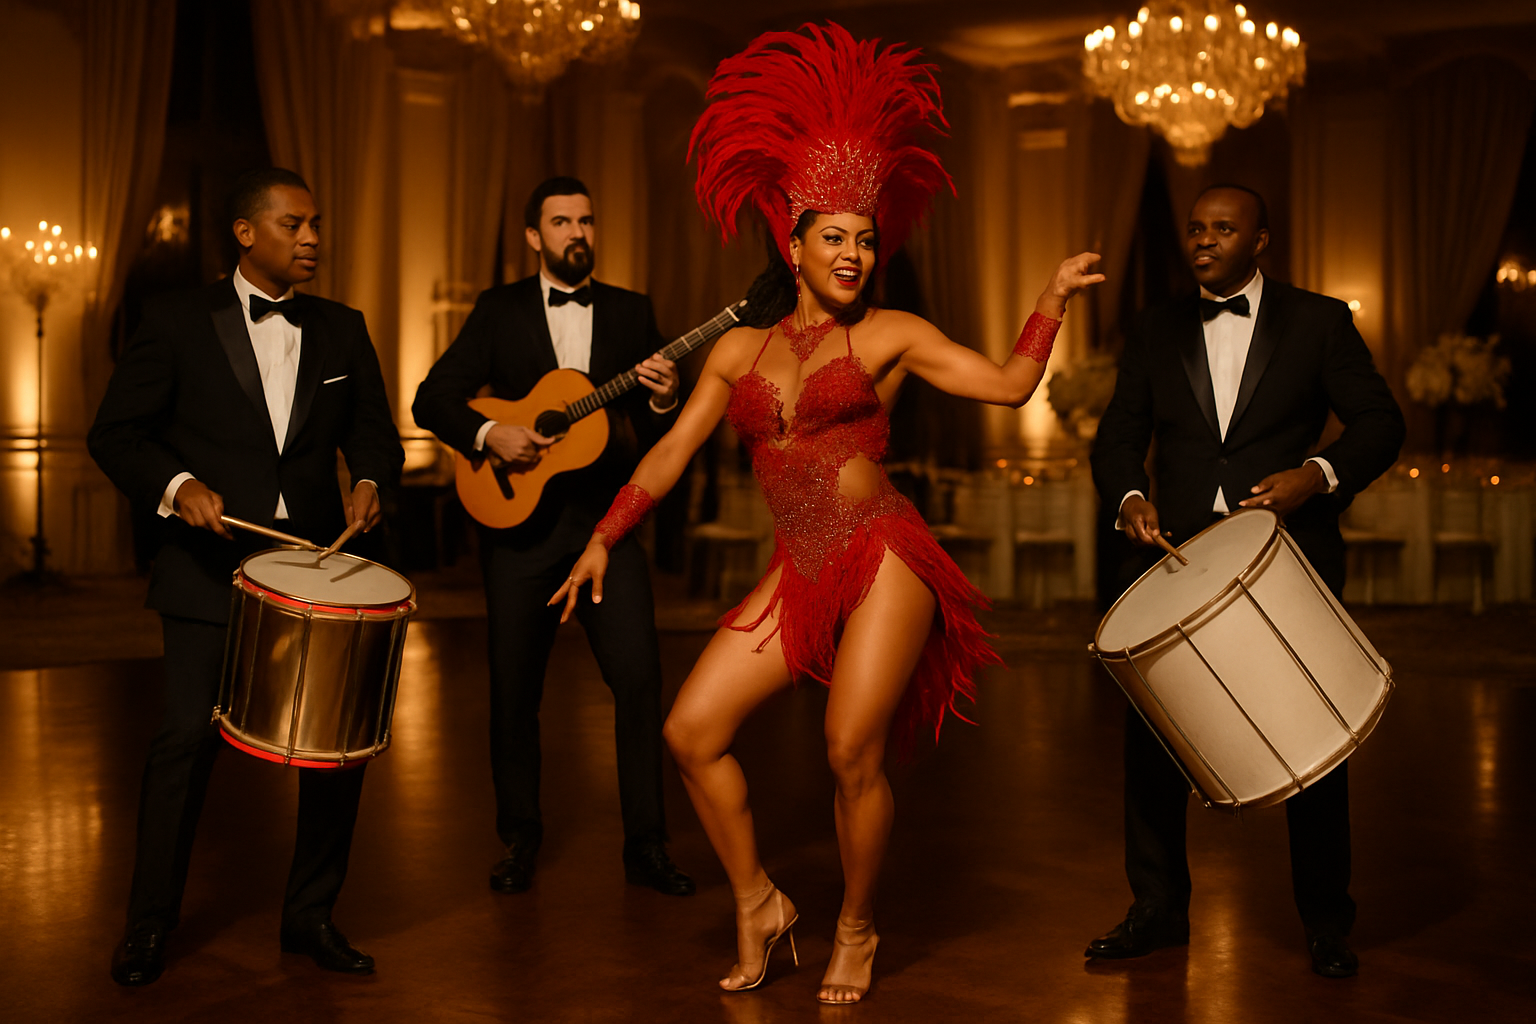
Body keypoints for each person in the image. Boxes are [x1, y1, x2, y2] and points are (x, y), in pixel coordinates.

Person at [551, 23, 1101, 1005]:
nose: (854, 252)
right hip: (797, 565)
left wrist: (1049, 297)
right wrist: (602, 538)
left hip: (884, 551)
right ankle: (758, 899)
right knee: (690, 731)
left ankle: (856, 923)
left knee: (850, 746)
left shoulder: (892, 332)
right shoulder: (739, 353)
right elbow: (671, 454)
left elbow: (1012, 385)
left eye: (865, 237)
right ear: (792, 243)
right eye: (833, 237)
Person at [88, 167, 404, 985]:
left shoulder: (342, 327)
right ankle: (149, 925)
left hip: (315, 572)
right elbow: (116, 435)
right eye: (295, 224)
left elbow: (375, 434)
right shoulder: (174, 321)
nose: (312, 239)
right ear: (245, 232)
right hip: (204, 575)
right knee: (184, 741)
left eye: (316, 225)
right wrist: (178, 487)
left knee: (334, 751)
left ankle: (311, 917)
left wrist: (371, 480)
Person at [1087, 184, 1405, 978]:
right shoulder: (1157, 327)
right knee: (1156, 744)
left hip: (1285, 556)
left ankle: (1328, 922)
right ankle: (1157, 910)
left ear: (1260, 241)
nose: (1204, 241)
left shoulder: (1320, 320)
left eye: (1223, 230)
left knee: (1311, 736)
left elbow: (1381, 422)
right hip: (1175, 557)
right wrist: (1129, 496)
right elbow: (1119, 435)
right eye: (1196, 230)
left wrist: (1319, 473)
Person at [411, 176, 694, 898]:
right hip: (518, 531)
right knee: (514, 693)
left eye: (587, 221)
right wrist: (488, 433)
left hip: (607, 527)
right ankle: (520, 838)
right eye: (562, 222)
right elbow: (432, 398)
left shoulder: (631, 313)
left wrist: (663, 396)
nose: (578, 233)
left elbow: (663, 432)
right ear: (535, 237)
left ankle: (648, 846)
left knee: (638, 682)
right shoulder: (498, 310)